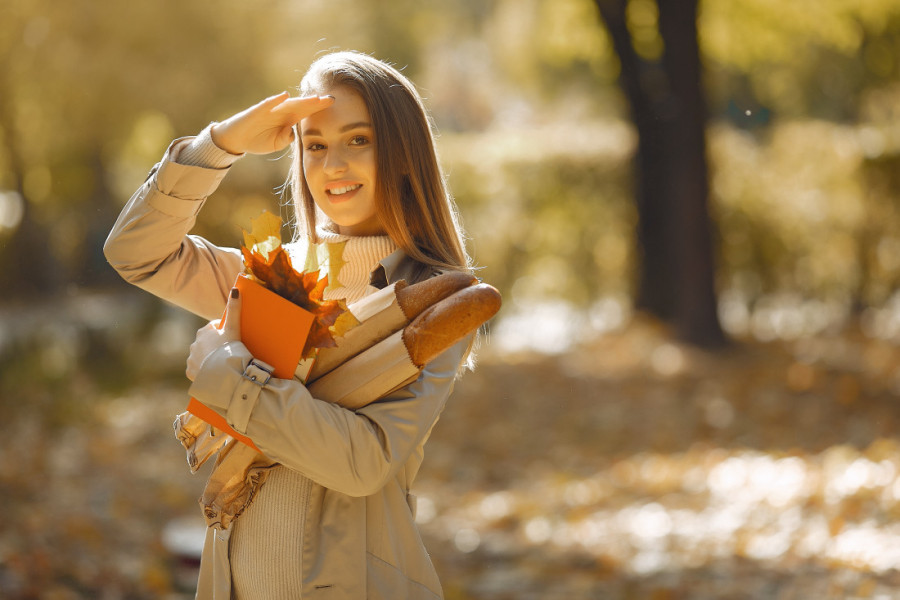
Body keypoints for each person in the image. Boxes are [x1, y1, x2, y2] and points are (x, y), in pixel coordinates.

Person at [104, 51, 475, 600]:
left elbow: (362, 462)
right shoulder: (269, 274)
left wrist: (226, 372)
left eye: (358, 139)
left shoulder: (436, 299)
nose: (333, 165)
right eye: (314, 145)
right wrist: (219, 144)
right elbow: (136, 253)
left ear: (403, 153)